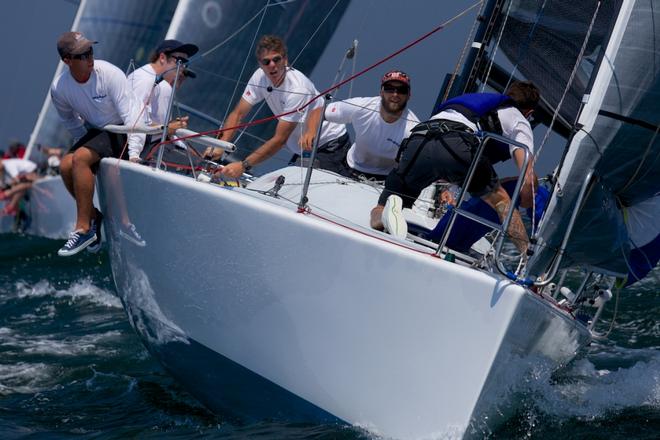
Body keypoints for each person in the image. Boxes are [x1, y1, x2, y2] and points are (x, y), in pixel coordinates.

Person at [370, 80, 540, 254]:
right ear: (529, 112)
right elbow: (528, 176)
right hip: (457, 143)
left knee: (381, 206)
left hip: (418, 140)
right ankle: (525, 261)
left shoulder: (473, 102)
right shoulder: (520, 120)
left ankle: (383, 215)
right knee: (502, 202)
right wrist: (528, 196)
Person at [50, 31, 146, 256]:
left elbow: (133, 117)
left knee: (81, 158)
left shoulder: (109, 73)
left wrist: (133, 155)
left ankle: (84, 229)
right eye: (82, 55)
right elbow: (70, 121)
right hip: (98, 132)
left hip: (123, 128)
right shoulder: (60, 88)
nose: (90, 57)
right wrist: (86, 141)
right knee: (66, 165)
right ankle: (94, 216)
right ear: (67, 61)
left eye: (90, 51)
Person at [205, 35, 348, 178]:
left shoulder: (297, 89)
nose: (272, 65)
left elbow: (280, 139)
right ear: (260, 64)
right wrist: (220, 145)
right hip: (304, 148)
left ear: (285, 60)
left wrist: (243, 166)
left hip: (330, 145)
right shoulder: (259, 77)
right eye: (266, 62)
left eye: (276, 59)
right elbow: (238, 114)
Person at [322, 70, 420, 180]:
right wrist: (310, 132)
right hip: (347, 169)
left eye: (401, 90)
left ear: (409, 96)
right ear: (381, 92)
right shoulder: (362, 107)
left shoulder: (413, 130)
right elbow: (321, 111)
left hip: (385, 182)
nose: (395, 94)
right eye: (389, 89)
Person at [127, 39, 199, 160]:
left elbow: (145, 119)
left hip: (147, 145)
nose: (182, 68)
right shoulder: (146, 80)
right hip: (138, 149)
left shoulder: (155, 80)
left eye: (185, 63)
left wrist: (170, 126)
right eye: (180, 61)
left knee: (198, 163)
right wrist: (168, 128)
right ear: (162, 58)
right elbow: (133, 119)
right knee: (197, 165)